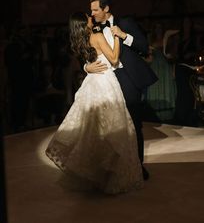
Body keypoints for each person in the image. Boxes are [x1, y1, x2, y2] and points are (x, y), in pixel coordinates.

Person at [46, 12, 143, 194]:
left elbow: (85, 63)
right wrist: (115, 37)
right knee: (113, 131)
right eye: (88, 17)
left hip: (91, 83)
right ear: (85, 22)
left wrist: (85, 67)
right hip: (105, 83)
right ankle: (109, 179)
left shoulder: (81, 40)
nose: (92, 18)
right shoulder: (97, 36)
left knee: (94, 132)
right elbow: (114, 60)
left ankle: (99, 178)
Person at [86, 0, 158, 180]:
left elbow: (143, 46)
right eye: (91, 10)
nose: (92, 14)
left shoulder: (124, 22)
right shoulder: (93, 28)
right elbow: (86, 54)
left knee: (133, 124)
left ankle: (137, 166)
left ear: (106, 8)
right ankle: (115, 167)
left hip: (127, 78)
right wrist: (85, 67)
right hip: (105, 80)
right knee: (110, 127)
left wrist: (123, 36)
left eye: (95, 10)